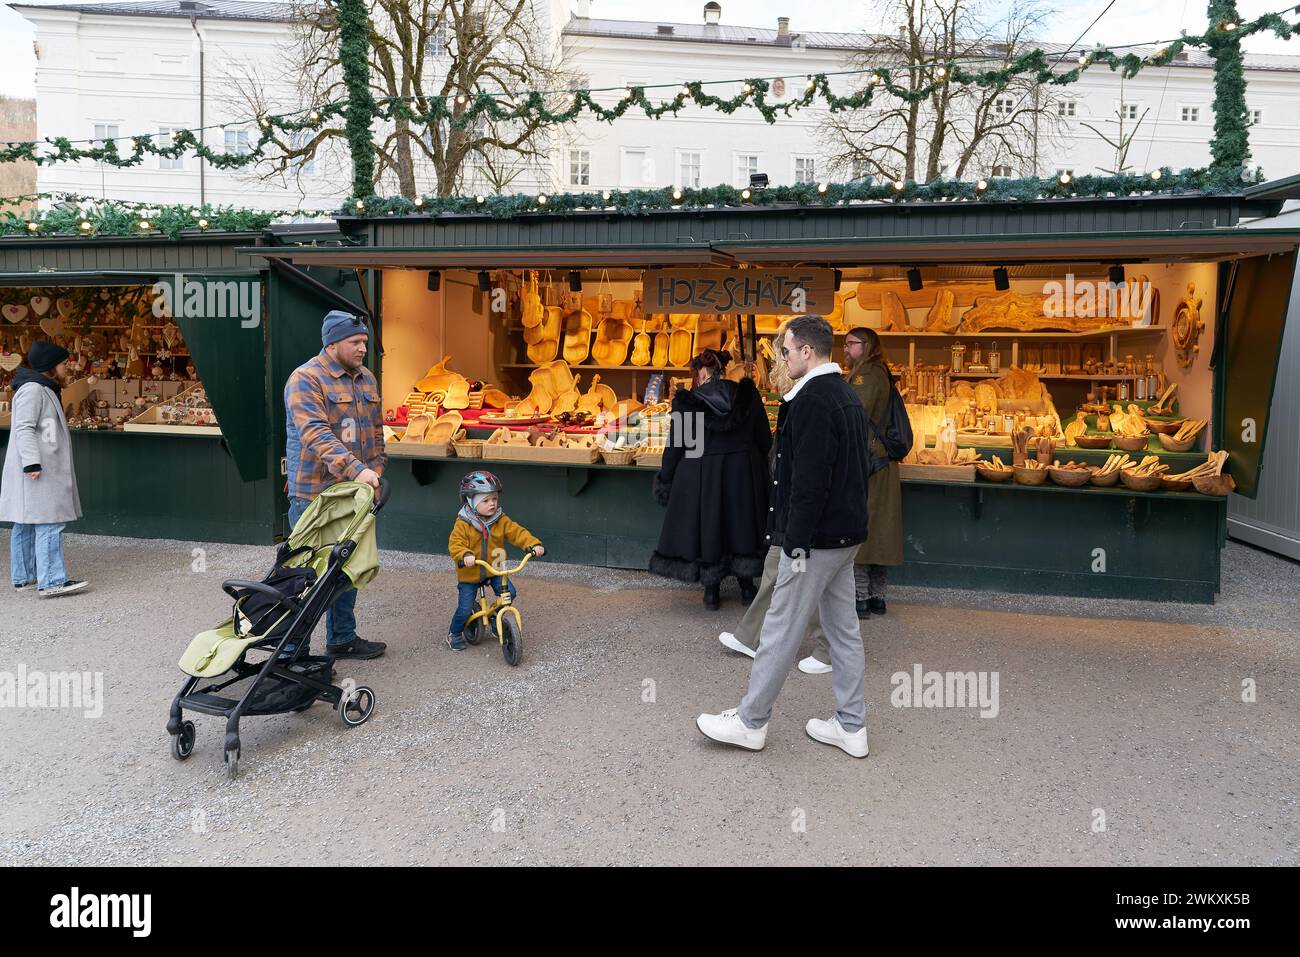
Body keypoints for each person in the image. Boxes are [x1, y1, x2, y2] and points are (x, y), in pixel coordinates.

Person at [696, 315, 872, 758]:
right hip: (845, 537)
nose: (784, 358)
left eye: (787, 350)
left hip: (814, 541)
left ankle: (751, 722)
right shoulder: (845, 395)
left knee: (777, 630)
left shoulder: (813, 400)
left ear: (807, 351)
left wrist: (794, 543)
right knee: (843, 633)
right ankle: (851, 726)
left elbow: (810, 482)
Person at [282, 310, 386, 660]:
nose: (362, 348)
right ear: (333, 342)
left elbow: (375, 433)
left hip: (355, 494)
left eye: (364, 342)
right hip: (314, 495)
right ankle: (294, 652)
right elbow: (316, 434)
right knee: (308, 574)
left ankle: (342, 638)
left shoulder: (367, 379)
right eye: (355, 342)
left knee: (346, 569)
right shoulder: (305, 379)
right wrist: (358, 471)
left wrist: (376, 470)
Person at [650, 349, 770, 610]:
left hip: (703, 474)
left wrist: (666, 480)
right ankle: (747, 587)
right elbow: (765, 440)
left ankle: (711, 592)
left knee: (711, 525)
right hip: (743, 473)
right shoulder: (748, 397)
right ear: (723, 369)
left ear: (702, 372)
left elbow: (676, 447)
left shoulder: (688, 402)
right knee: (742, 524)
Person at [1, 341, 88, 597]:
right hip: (39, 468)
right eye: (63, 364)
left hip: (38, 465)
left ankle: (24, 577)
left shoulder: (39, 388)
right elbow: (24, 428)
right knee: (49, 522)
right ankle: (51, 580)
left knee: (27, 522)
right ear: (51, 366)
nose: (66, 368)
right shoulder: (34, 390)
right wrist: (31, 462)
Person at [447, 470, 544, 650]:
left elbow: (517, 532)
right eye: (485, 501)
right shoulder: (463, 523)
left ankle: (494, 618)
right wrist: (465, 555)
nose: (492, 504)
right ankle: (454, 633)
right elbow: (455, 544)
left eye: (494, 499)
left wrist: (533, 544)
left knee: (509, 595)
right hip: (470, 572)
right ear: (471, 502)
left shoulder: (500, 519)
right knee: (465, 609)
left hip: (494, 569)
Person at [844, 327, 904, 617]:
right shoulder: (881, 371)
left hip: (869, 463)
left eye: (850, 344)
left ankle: (859, 597)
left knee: (862, 529)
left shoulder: (866, 375)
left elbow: (854, 413)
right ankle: (877, 597)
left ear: (865, 345)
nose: (845, 350)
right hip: (882, 461)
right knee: (880, 531)